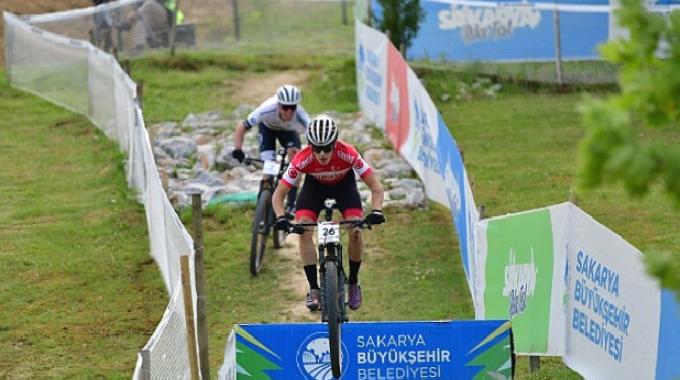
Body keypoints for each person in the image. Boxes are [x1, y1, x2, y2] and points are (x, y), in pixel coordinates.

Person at [271, 115, 385, 311]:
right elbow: (278, 194)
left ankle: (353, 283)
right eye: (316, 148)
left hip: (344, 188)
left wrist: (376, 210)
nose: (322, 154)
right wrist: (281, 217)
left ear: (335, 144)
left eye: (326, 148)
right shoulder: (302, 159)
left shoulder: (348, 153)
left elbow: (376, 186)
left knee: (356, 231)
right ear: (310, 146)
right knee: (304, 230)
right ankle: (314, 288)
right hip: (314, 189)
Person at [232, 84, 310, 214]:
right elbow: (242, 127)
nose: (289, 111)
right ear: (278, 105)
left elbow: (314, 134)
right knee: (268, 170)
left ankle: (291, 204)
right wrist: (238, 148)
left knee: (295, 160)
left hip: (289, 132)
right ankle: (261, 208)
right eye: (285, 107)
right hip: (268, 129)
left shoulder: (300, 114)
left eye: (292, 107)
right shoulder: (266, 109)